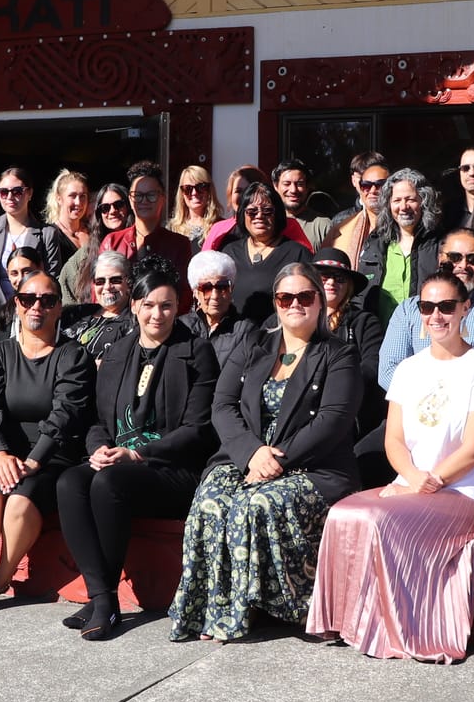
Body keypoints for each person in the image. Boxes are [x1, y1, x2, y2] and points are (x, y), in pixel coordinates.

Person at [308, 272, 474, 661]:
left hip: (462, 492)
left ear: (465, 309)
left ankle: (392, 632)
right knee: (343, 512)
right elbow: (392, 440)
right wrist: (414, 479)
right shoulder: (408, 368)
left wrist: (428, 483)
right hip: (411, 486)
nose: (436, 315)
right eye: (427, 307)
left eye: (446, 306)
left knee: (380, 520)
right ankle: (344, 623)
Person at [169, 261, 362, 641]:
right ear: (275, 302)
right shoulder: (253, 344)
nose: (294, 304)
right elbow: (222, 405)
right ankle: (214, 607)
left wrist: (275, 460)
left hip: (312, 467)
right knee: (210, 501)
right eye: (285, 297)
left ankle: (278, 608)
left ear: (320, 302)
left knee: (256, 505)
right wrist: (252, 454)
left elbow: (332, 421)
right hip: (245, 460)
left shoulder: (339, 354)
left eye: (304, 296)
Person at [58, 262, 218, 639]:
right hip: (121, 461)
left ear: (178, 307)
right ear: (134, 306)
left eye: (165, 306)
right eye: (148, 305)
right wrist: (99, 448)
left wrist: (136, 454)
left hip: (173, 469)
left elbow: (197, 430)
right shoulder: (117, 353)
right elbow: (97, 420)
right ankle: (99, 594)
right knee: (69, 482)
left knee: (107, 483)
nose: (156, 314)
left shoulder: (196, 352)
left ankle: (107, 601)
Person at [0, 270, 95, 620]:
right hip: (2, 448)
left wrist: (34, 460)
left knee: (18, 502)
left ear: (59, 308)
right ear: (16, 304)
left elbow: (66, 413)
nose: (37, 307)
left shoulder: (72, 356)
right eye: (28, 299)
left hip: (50, 452)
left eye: (47, 301)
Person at [377, 228, 474, 404]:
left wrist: (454, 402)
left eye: (473, 259)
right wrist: (433, 401)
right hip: (416, 411)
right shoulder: (409, 310)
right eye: (455, 257)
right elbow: (388, 372)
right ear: (441, 259)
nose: (463, 266)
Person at [0, 166, 71, 334]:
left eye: (17, 191)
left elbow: (52, 279)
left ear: (29, 193)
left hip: (33, 318)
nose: (10, 197)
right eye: (4, 192)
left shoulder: (47, 234)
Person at [218, 180, 313, 323]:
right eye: (252, 211)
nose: (259, 216)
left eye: (267, 210)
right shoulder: (229, 252)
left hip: (279, 339)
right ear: (243, 214)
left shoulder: (298, 254)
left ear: (278, 214)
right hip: (235, 339)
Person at [315, 246, 385, 437]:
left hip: (346, 410)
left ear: (349, 286)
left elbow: (373, 365)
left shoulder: (364, 322)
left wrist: (335, 384)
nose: (331, 282)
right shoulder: (293, 317)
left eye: (340, 278)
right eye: (324, 276)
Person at [356, 167, 442, 321]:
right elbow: (361, 295)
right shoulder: (375, 244)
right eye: (397, 200)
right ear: (388, 205)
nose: (403, 207)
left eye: (410, 199)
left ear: (424, 201)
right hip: (380, 337)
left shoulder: (439, 243)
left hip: (426, 334)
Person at [102, 160, 193, 280]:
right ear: (130, 199)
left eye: (151, 195)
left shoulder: (179, 245)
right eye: (138, 195)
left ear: (163, 198)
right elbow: (100, 290)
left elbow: (183, 293)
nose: (144, 201)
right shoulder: (112, 242)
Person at [180, 249, 254, 365]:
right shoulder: (182, 326)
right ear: (195, 292)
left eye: (222, 287)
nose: (215, 296)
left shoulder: (245, 331)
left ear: (231, 289)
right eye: (206, 288)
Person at [60, 248, 134, 357]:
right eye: (100, 281)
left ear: (129, 283)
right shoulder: (79, 312)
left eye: (115, 280)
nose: (107, 287)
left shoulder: (133, 323)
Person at [63, 181, 129, 301]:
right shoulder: (86, 253)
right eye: (105, 208)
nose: (112, 211)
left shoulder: (139, 245)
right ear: (99, 214)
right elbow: (65, 281)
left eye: (118, 204)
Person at [326, 151, 390, 261]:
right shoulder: (341, 222)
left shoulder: (399, 218)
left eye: (379, 183)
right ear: (354, 180)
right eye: (365, 182)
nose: (372, 188)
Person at [274, 158, 332, 245]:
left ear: (307, 187)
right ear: (276, 186)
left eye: (299, 184)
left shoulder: (323, 225)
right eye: (286, 184)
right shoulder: (267, 222)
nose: (293, 190)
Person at [44, 168, 93, 262]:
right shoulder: (49, 235)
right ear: (59, 199)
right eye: (72, 196)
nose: (78, 202)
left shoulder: (92, 232)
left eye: (83, 196)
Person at [170, 164, 224, 247]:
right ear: (182, 194)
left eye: (201, 187)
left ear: (209, 191)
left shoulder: (221, 228)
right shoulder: (171, 228)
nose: (194, 193)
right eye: (188, 188)